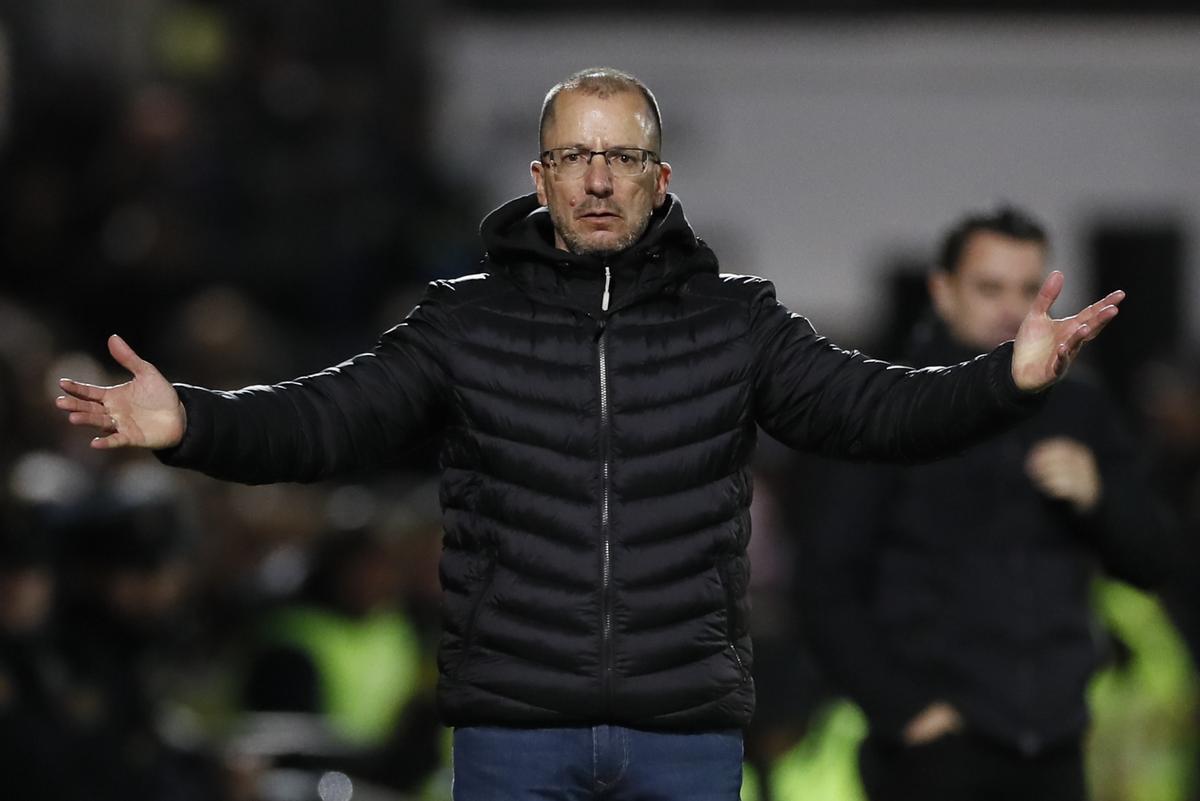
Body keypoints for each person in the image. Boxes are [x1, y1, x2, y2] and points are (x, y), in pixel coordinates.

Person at [57, 69, 1125, 801]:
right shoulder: (463, 323)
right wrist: (191, 420)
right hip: (515, 736)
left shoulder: (736, 321)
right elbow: (324, 419)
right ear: (540, 179)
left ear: (663, 179)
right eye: (574, 155)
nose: (600, 178)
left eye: (623, 157)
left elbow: (880, 410)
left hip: (685, 732)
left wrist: (1004, 380)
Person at [799, 205, 1176, 801]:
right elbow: (826, 582)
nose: (1012, 307)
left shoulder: (1080, 408)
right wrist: (907, 711)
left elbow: (1154, 561)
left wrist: (1101, 495)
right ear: (942, 292)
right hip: (933, 752)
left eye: (1030, 288)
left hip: (1056, 743)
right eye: (990, 287)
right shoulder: (886, 404)